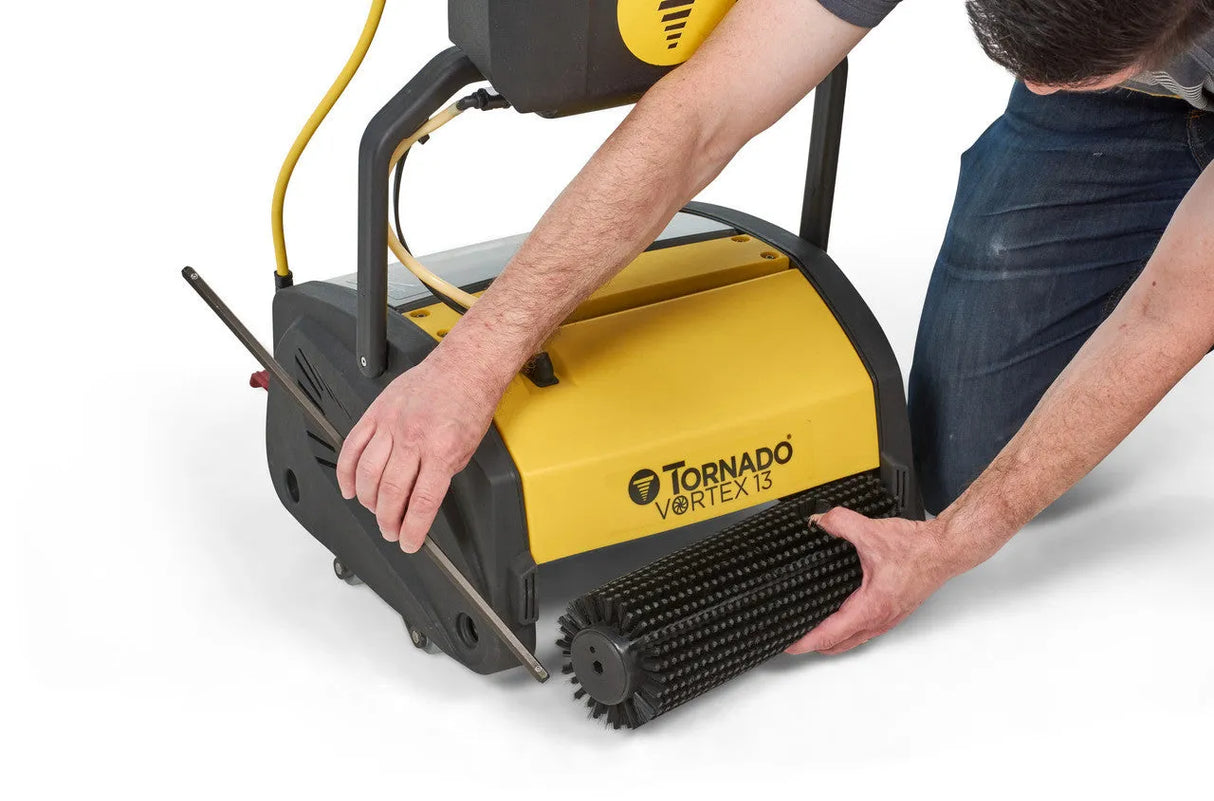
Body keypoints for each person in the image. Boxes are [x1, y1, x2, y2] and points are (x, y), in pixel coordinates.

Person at [337, 0, 1214, 656]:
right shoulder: (1065, 66)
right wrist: (476, 357)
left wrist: (951, 547)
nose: (1031, 88)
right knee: (968, 452)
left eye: (1057, 69)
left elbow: (1170, 309)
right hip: (1121, 102)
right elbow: (701, 116)